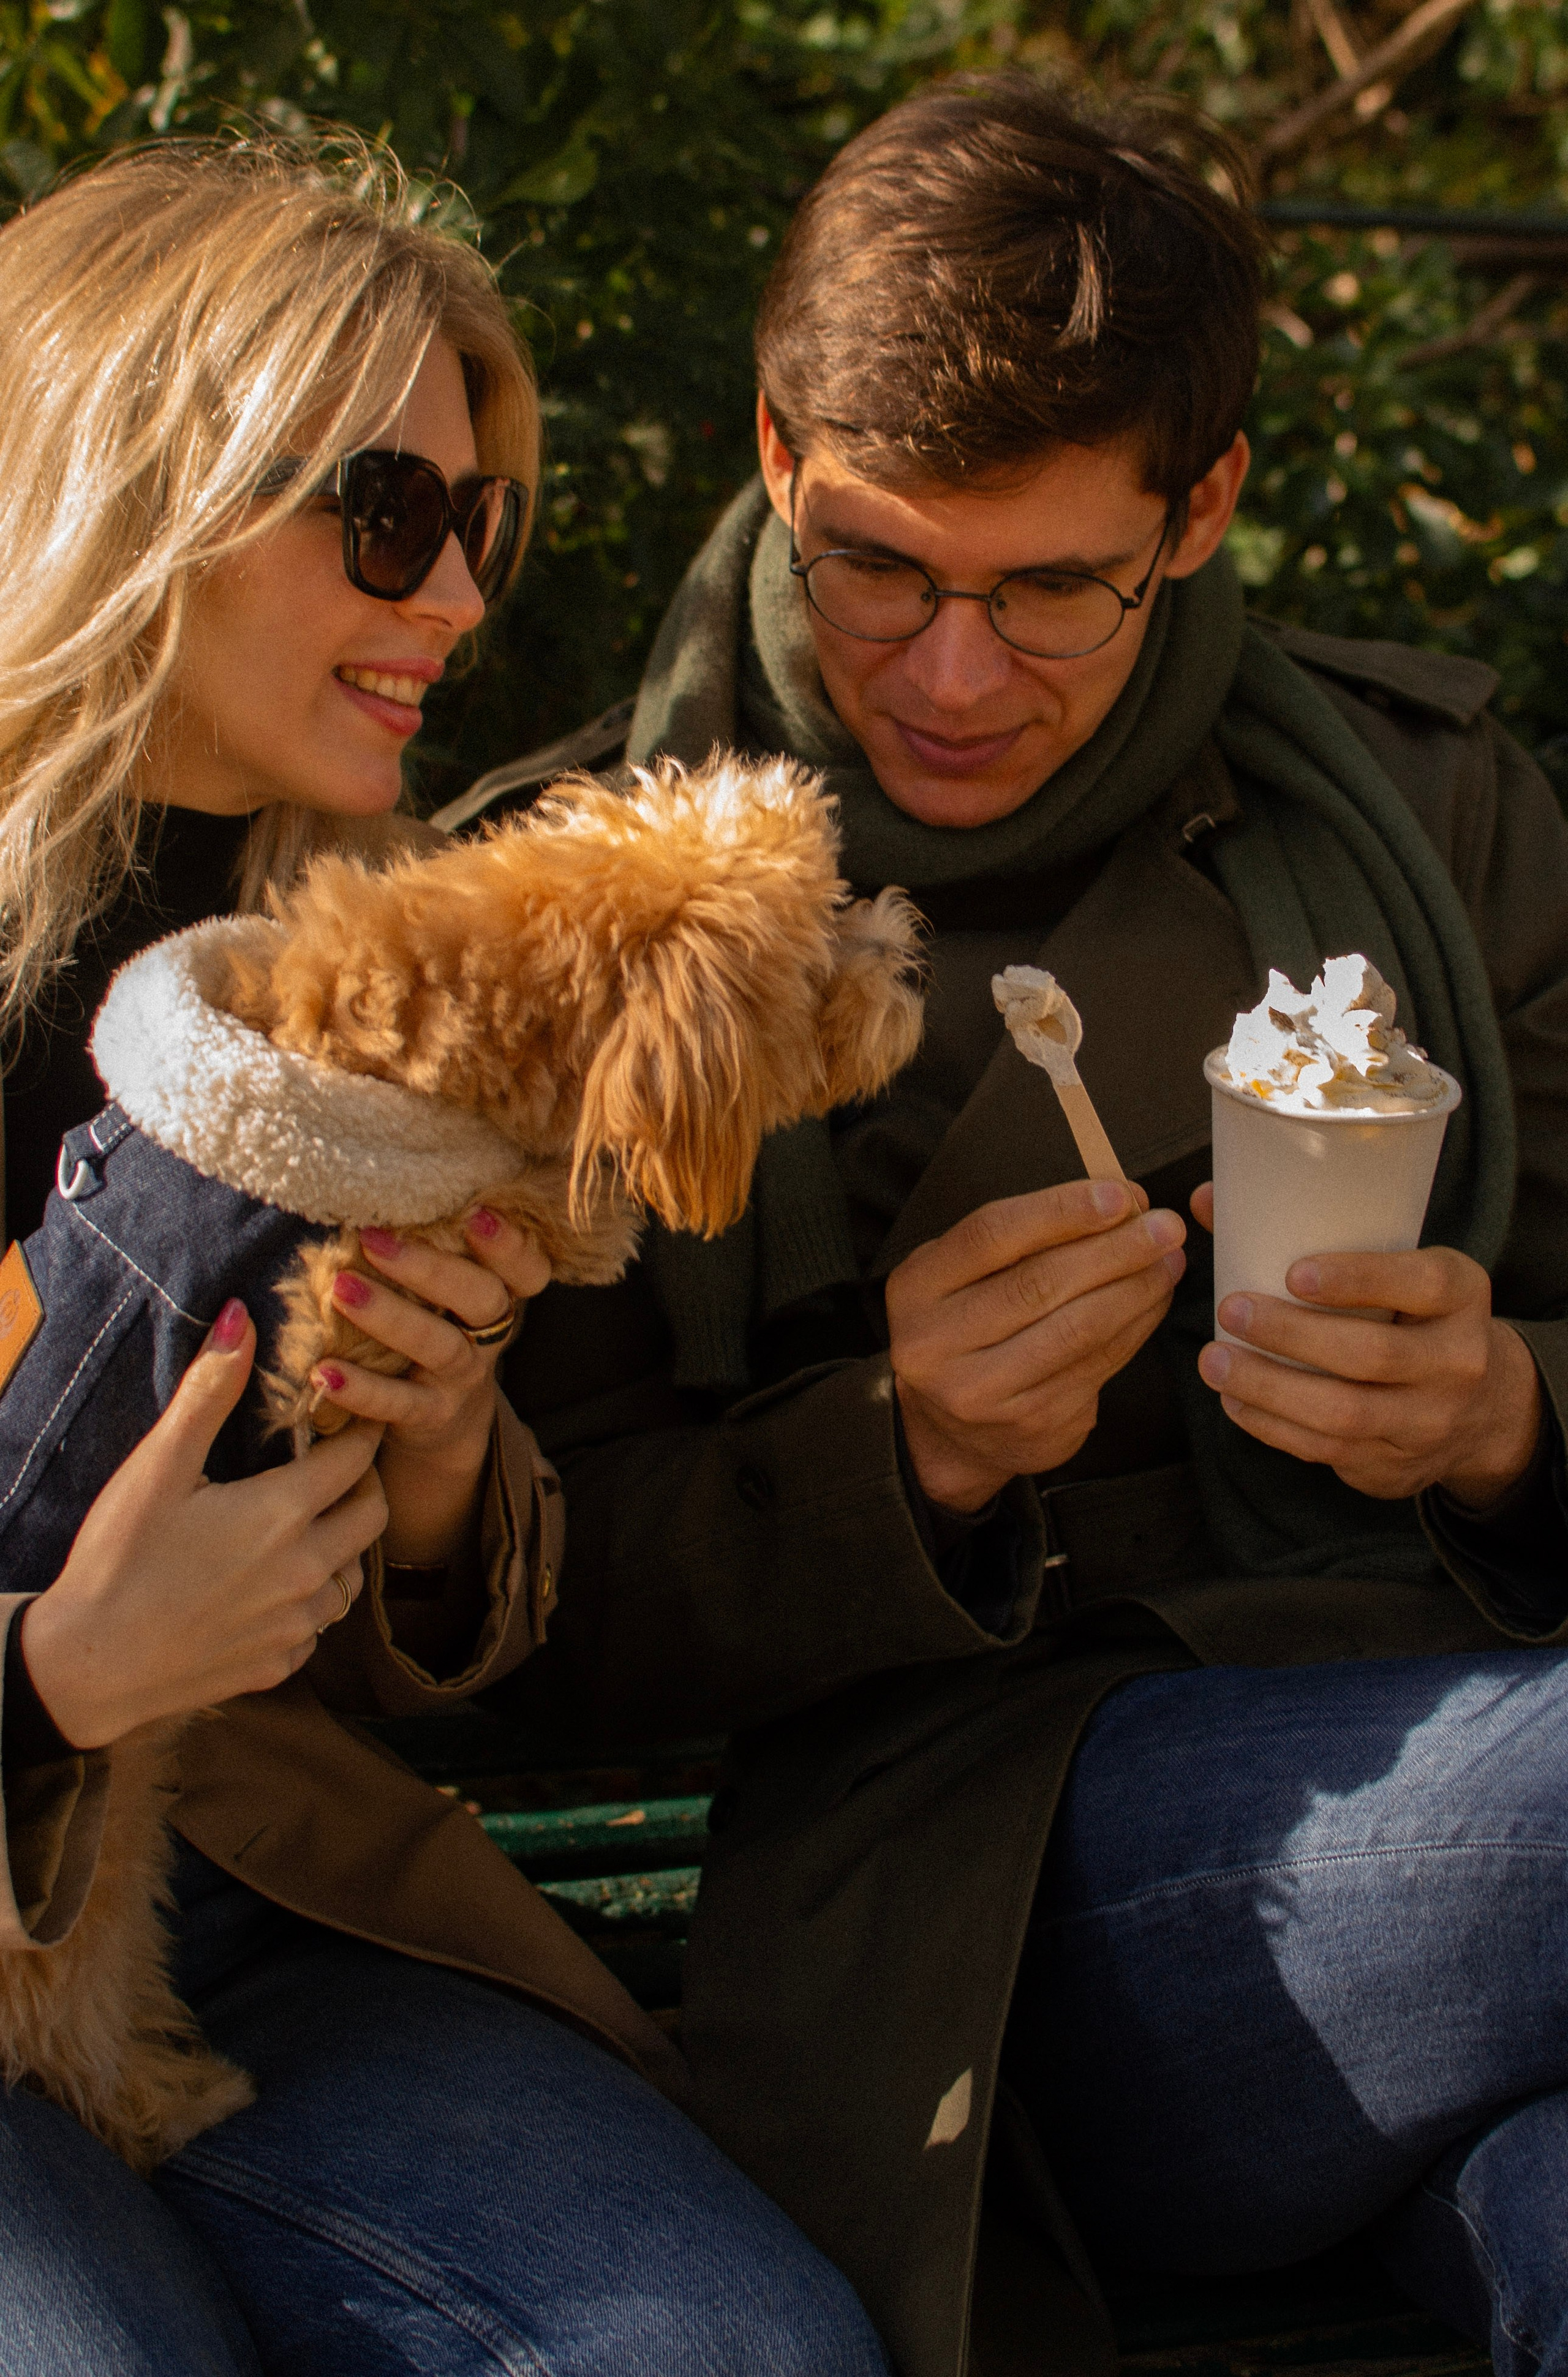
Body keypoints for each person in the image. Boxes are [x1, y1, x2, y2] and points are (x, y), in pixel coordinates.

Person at [491, 73, 1568, 2377]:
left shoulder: (1442, 826)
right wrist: (903, 1457)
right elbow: (499, 1606)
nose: (952, 673)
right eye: (879, 563)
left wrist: (1504, 1412)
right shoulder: (587, 907)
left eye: (1053, 586)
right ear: (777, 456)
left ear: (1204, 510)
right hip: (962, 1885)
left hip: (1445, 1749)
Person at [0, 135, 889, 2377]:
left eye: (483, 526)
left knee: (730, 2356)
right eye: (389, 516)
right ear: (138, 486)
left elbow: (451, 1646)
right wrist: (53, 1673)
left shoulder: (365, 949)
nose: (463, 600)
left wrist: (432, 1454)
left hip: (239, 1894)